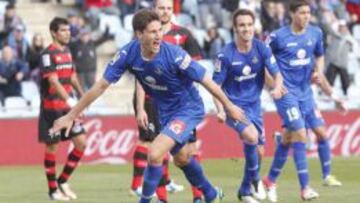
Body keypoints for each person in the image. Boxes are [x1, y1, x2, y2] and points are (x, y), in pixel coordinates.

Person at [49, 9, 249, 203]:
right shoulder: (128, 53)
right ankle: (211, 193)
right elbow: (101, 85)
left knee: (154, 153)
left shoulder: (174, 54)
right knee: (181, 159)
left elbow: (206, 79)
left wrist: (228, 106)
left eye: (160, 30)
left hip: (188, 108)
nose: (159, 36)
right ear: (139, 34)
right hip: (165, 111)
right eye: (153, 32)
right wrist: (71, 115)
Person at [262, 1, 346, 202]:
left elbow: (319, 57)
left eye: (308, 12)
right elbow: (262, 61)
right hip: (286, 94)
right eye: (302, 13)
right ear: (292, 14)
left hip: (306, 94)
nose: (306, 16)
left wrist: (321, 77)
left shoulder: (315, 33)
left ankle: (270, 179)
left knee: (305, 134)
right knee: (301, 134)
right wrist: (274, 85)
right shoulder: (278, 37)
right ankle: (305, 188)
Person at [130, 0, 204, 202]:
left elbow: (196, 70)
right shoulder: (145, 34)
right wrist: (140, 107)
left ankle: (199, 195)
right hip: (152, 99)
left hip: (181, 102)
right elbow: (139, 73)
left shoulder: (185, 34)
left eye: (169, 8)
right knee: (156, 148)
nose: (165, 12)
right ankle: (161, 197)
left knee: (189, 150)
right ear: (154, 9)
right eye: (161, 8)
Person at [212, 9, 284, 203]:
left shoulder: (262, 48)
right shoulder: (225, 55)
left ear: (254, 27)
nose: (246, 29)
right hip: (232, 107)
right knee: (251, 136)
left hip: (255, 106)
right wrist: (220, 109)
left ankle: (244, 191)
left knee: (260, 151)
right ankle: (255, 181)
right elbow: (215, 87)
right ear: (235, 28)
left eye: (249, 25)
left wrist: (277, 88)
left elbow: (277, 74)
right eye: (242, 25)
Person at [38, 17, 86, 201]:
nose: (68, 33)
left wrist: (82, 97)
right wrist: (70, 101)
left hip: (69, 107)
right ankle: (52, 191)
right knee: (52, 147)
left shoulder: (67, 51)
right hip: (52, 109)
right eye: (64, 30)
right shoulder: (47, 54)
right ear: (53, 33)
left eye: (69, 30)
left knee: (81, 143)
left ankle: (63, 180)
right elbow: (53, 81)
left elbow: (72, 77)